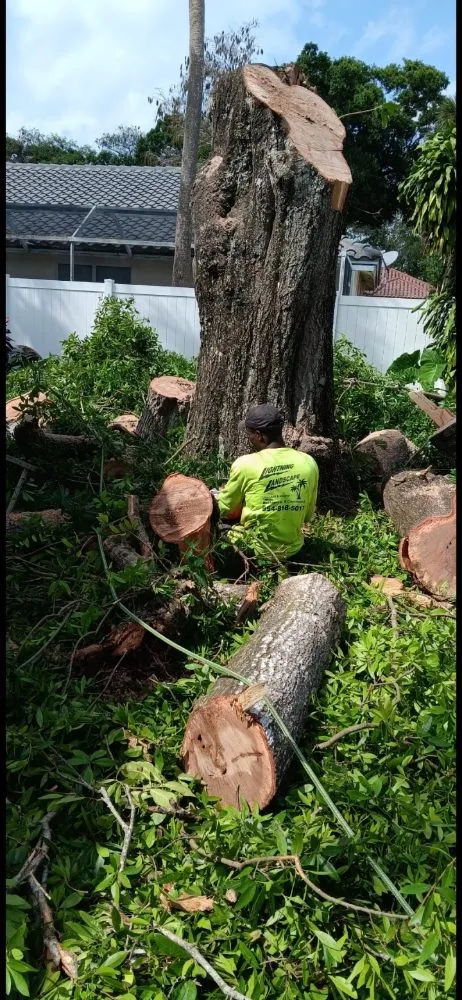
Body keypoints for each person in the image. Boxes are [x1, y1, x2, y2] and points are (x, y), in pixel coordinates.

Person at [212, 404, 318, 574]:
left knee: (217, 529)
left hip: (252, 552)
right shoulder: (309, 463)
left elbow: (223, 509)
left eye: (249, 435)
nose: (249, 440)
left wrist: (215, 497)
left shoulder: (245, 464)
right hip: (293, 552)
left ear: (259, 436)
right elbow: (307, 515)